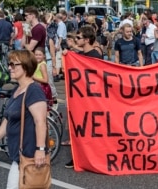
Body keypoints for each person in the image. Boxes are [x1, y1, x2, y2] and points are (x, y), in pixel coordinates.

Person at [0, 50, 48, 188]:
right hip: (18, 155)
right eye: (9, 64)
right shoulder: (17, 90)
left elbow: (40, 121)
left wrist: (40, 149)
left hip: (29, 155)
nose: (9, 68)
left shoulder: (34, 91)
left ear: (25, 67)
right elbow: (7, 120)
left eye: (13, 65)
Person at [65, 25, 102, 168]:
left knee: (91, 130)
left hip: (92, 100)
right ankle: (78, 157)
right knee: (79, 129)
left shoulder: (95, 56)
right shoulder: (80, 56)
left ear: (86, 40)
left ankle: (92, 157)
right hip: (80, 99)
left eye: (78, 38)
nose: (76, 40)